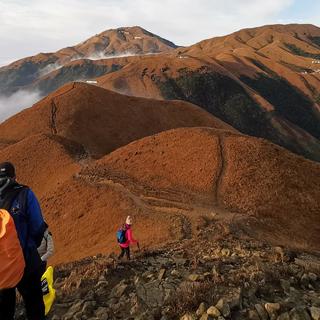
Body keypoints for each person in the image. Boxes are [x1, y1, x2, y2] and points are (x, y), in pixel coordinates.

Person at [0, 162, 46, 320]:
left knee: (5, 310)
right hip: (26, 261)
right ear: (14, 176)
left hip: (2, 267)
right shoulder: (25, 194)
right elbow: (38, 226)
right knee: (34, 305)